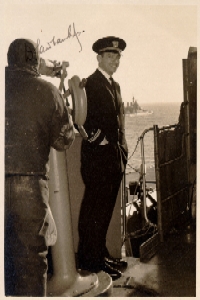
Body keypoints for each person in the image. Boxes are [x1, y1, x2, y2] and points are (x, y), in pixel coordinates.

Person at [5, 38, 75, 296]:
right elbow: (64, 139)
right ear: (35, 61)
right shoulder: (48, 92)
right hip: (29, 188)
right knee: (31, 262)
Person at [77, 36, 128, 280]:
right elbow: (81, 119)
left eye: (117, 56)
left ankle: (100, 254)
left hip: (113, 158)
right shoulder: (90, 84)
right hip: (97, 159)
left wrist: (121, 147)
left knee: (105, 209)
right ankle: (92, 261)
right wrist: (101, 139)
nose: (115, 60)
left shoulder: (114, 86)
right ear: (99, 58)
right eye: (110, 56)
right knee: (94, 210)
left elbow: (118, 120)